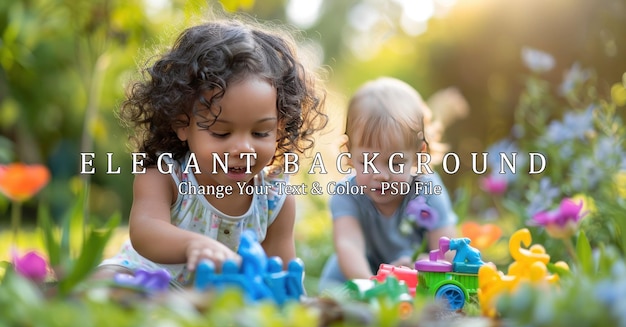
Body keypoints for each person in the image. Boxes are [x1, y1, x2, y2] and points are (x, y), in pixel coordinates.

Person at [95, 18, 327, 288]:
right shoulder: (166, 176)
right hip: (149, 281)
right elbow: (145, 232)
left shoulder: (275, 199)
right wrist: (194, 245)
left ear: (280, 127)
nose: (243, 148)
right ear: (182, 123)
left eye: (260, 133)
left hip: (212, 305)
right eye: (221, 133)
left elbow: (277, 275)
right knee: (106, 281)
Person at [318, 77, 458, 291]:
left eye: (396, 162)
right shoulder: (347, 193)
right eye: (367, 161)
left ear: (418, 155)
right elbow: (349, 245)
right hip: (356, 275)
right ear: (349, 153)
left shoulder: (427, 189)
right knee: (334, 295)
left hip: (411, 276)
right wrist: (371, 287)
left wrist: (425, 264)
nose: (381, 175)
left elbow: (447, 246)